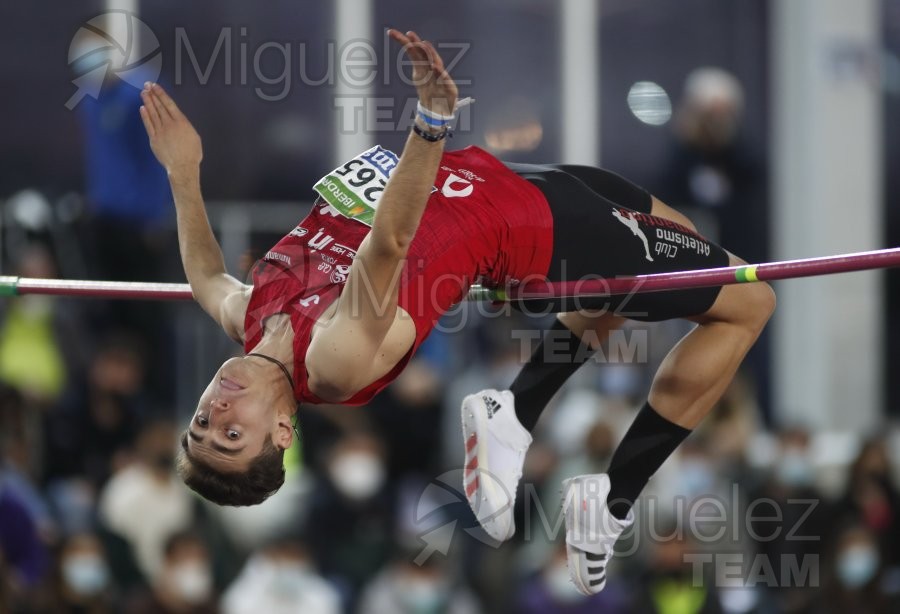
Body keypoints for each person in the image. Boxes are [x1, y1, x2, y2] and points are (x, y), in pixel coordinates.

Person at [139, 29, 774, 596]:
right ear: (282, 431)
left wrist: (183, 171)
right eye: (230, 434)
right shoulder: (331, 363)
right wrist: (430, 122)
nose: (216, 409)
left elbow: (205, 276)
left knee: (679, 238)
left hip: (492, 177)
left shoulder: (251, 317)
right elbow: (388, 243)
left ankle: (517, 414)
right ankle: (611, 501)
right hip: (525, 228)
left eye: (201, 422)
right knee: (747, 302)